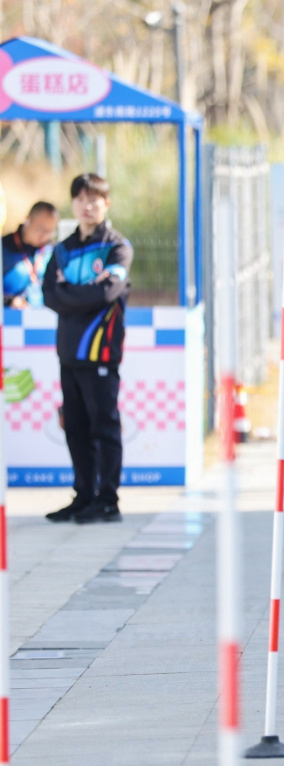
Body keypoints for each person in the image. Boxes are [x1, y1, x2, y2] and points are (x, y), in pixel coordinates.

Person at [42, 174, 132, 524]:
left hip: (101, 352)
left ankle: (107, 499)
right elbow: (49, 295)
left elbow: (106, 293)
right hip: (68, 352)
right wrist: (82, 294)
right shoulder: (62, 249)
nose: (87, 205)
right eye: (80, 198)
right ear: (73, 204)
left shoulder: (117, 247)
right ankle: (83, 495)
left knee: (104, 425)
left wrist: (70, 294)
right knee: (76, 427)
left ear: (106, 203)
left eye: (94, 198)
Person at [2, 201, 58, 308]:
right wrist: (9, 301)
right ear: (27, 219)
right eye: (40, 229)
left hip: (44, 319)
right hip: (9, 318)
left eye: (49, 231)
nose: (44, 236)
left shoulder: (53, 250)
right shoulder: (4, 247)